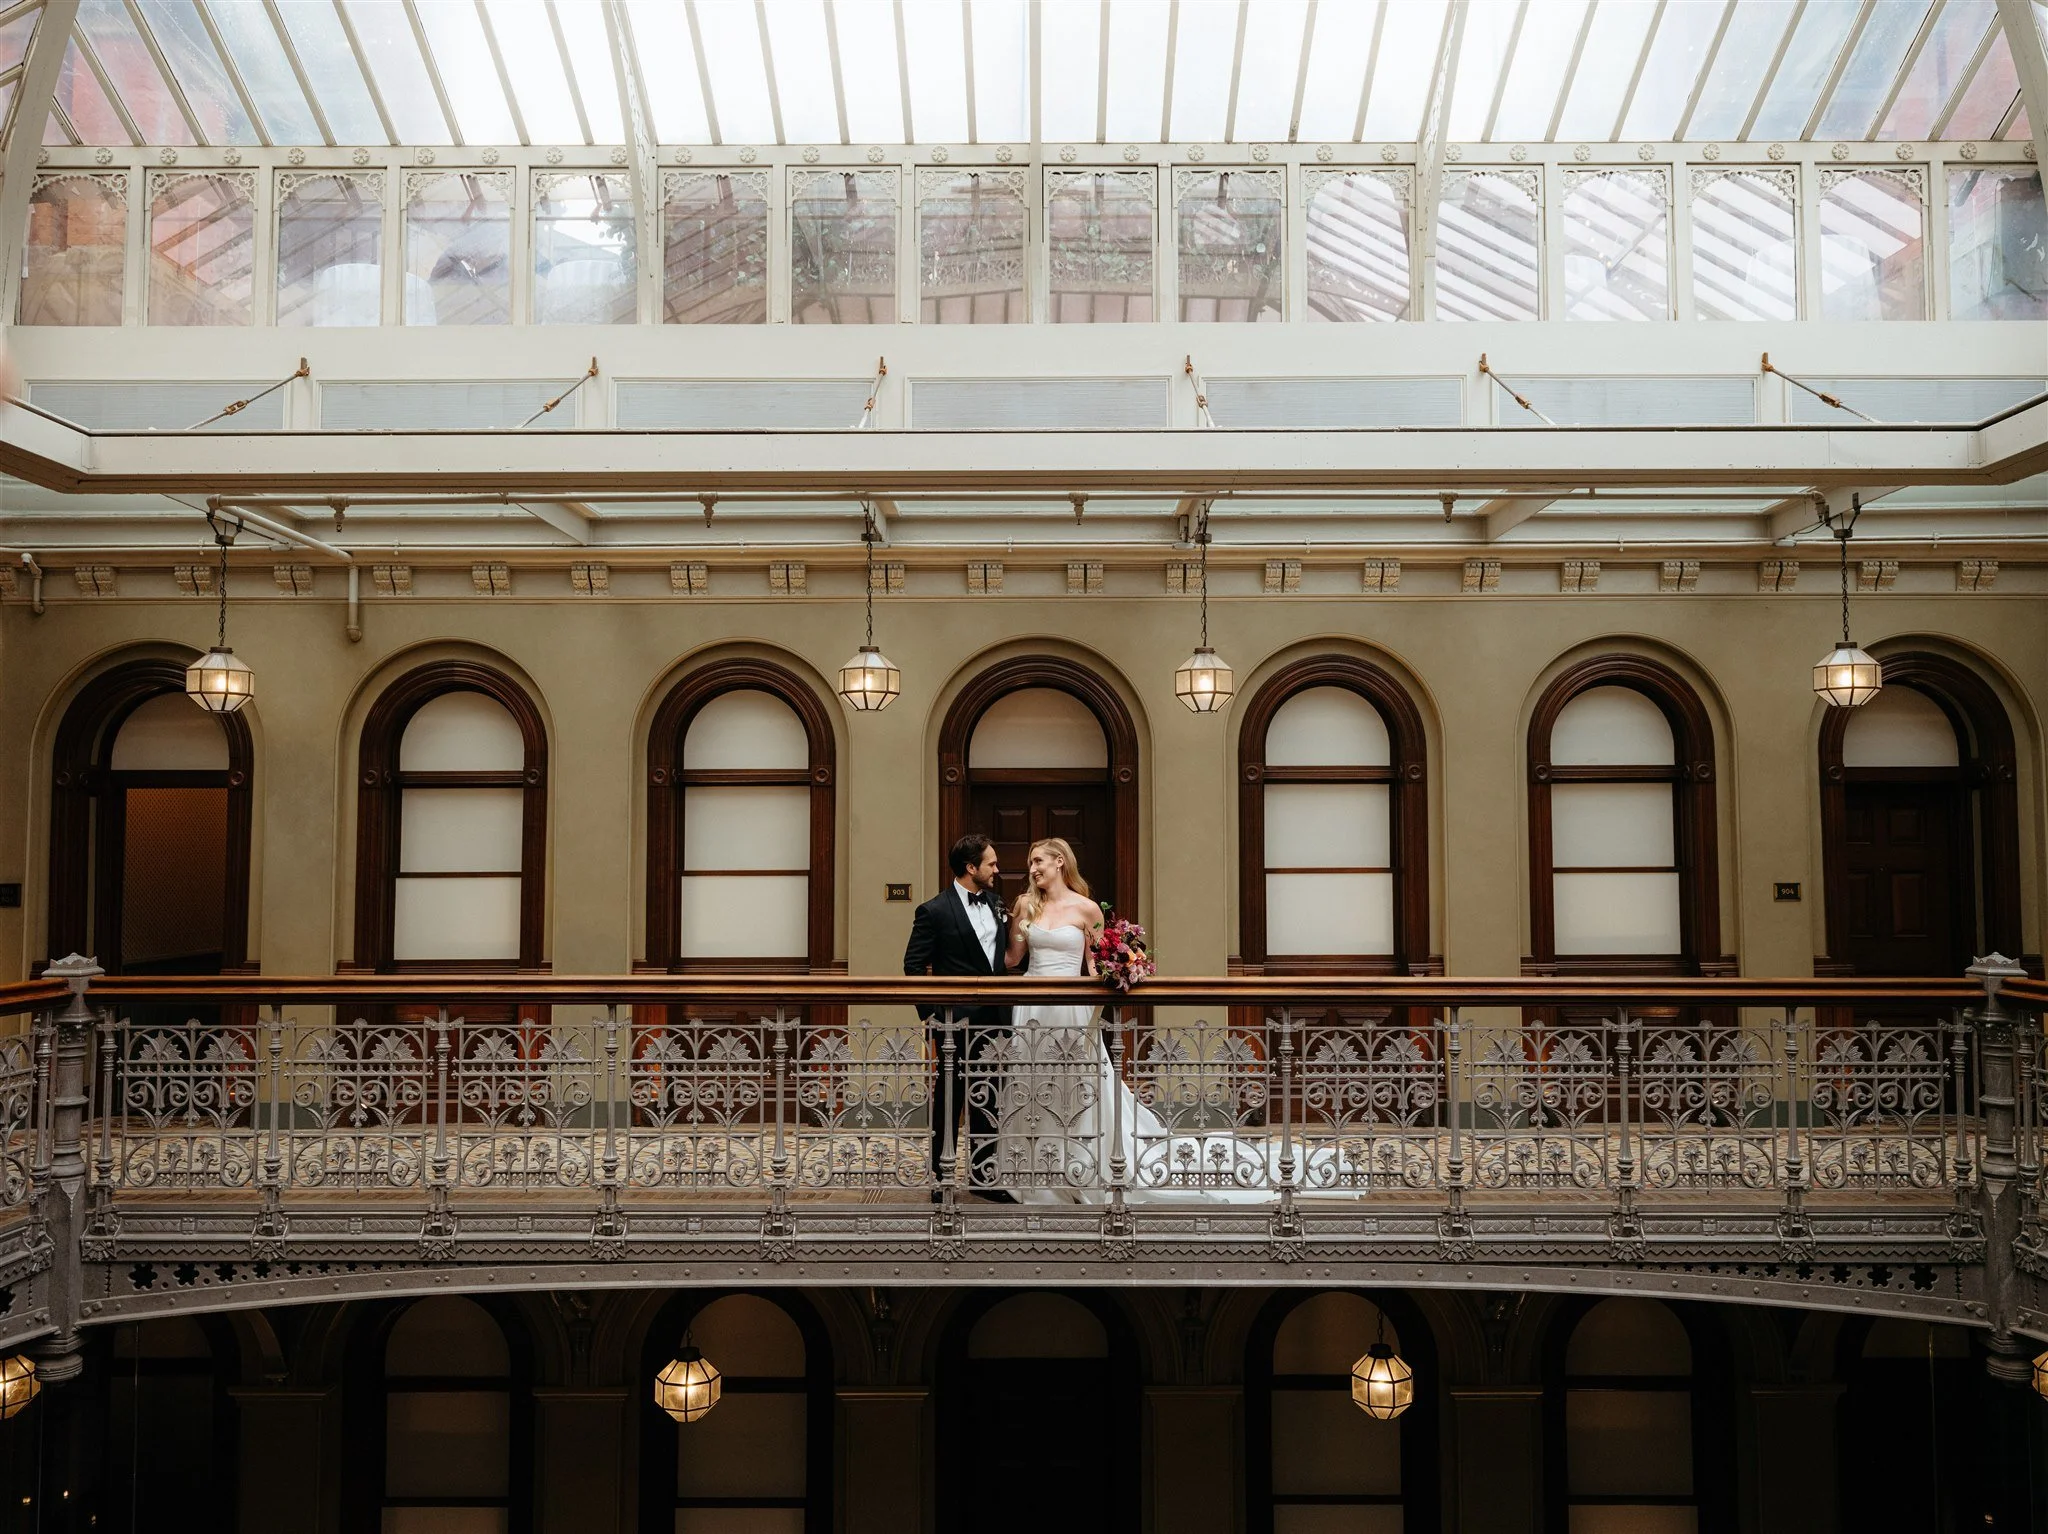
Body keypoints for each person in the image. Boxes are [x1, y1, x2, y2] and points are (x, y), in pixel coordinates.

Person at [996, 837, 1276, 1205]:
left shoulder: (1087, 909)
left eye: (1038, 861)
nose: (1032, 868)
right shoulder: (1025, 905)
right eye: (1031, 863)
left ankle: (1079, 1165)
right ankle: (1032, 1169)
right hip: (1031, 1006)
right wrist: (1000, 926)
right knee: (1030, 1083)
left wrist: (1123, 966)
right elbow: (1012, 961)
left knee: (1074, 1086)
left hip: (1071, 1008)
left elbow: (1096, 967)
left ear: (1060, 862)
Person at [901, 833, 1015, 1202]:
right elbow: (913, 966)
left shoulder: (998, 903)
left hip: (996, 1019)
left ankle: (985, 1178)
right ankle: (941, 1176)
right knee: (949, 1098)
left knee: (989, 1097)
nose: (997, 869)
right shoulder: (933, 911)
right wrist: (932, 1018)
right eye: (991, 863)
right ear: (971, 868)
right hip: (953, 1022)